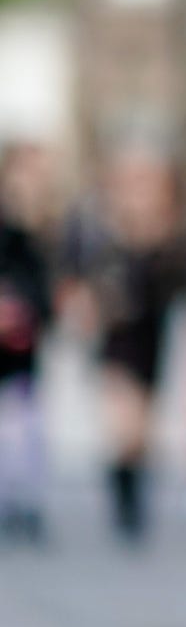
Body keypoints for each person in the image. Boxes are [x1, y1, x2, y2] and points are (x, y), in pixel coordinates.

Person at [61, 143, 186, 543]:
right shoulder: (101, 230)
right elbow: (79, 276)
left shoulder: (167, 234)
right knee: (123, 419)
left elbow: (176, 284)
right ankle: (124, 502)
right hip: (115, 337)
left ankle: (133, 489)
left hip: (150, 336)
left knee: (142, 430)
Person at [0, 142, 55, 543]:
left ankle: (25, 502)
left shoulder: (47, 228)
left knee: (25, 425)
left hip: (26, 346)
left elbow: (47, 289)